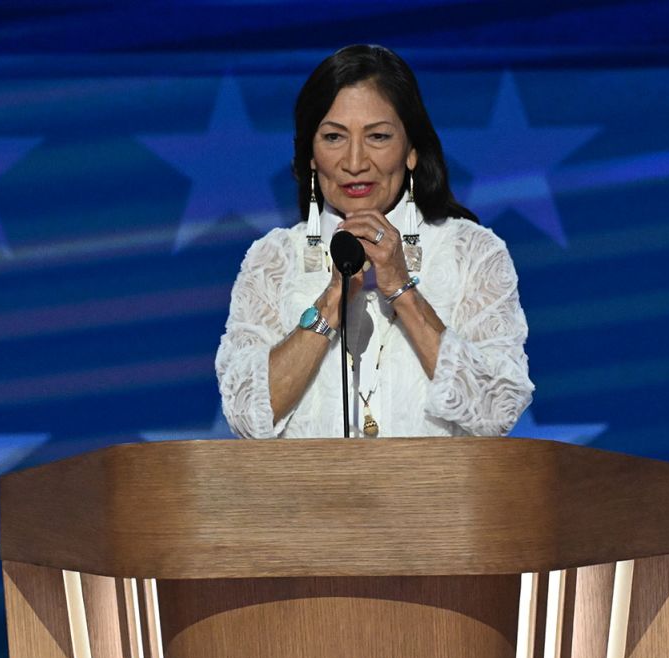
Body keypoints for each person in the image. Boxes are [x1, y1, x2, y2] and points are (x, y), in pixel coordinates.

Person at [215, 44, 533, 439]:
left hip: (437, 499)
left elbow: (495, 411)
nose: (354, 162)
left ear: (412, 150)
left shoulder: (471, 252)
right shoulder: (273, 259)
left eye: (378, 136)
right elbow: (248, 418)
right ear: (311, 155)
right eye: (333, 137)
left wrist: (402, 289)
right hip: (308, 500)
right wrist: (332, 301)